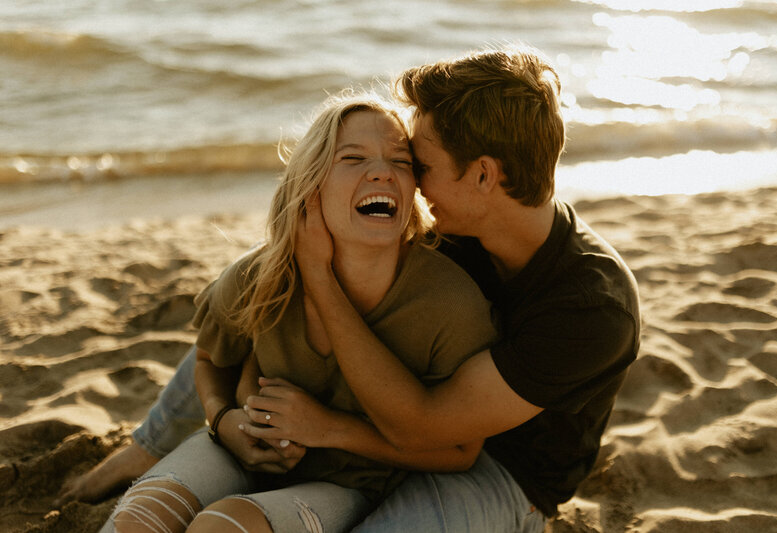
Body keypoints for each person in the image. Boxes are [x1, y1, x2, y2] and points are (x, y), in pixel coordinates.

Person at [67, 43, 639, 532]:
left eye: (418, 162)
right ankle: (146, 446)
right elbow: (245, 319)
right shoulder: (460, 230)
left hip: (504, 469)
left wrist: (320, 282)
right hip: (403, 419)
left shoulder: (591, 308)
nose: (407, 181)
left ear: (483, 175)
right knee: (260, 291)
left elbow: (423, 425)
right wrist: (223, 413)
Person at [98, 92, 498, 533]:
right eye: (353, 158)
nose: (382, 171)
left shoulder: (449, 302)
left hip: (345, 484)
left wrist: (327, 427)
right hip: (233, 453)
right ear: (312, 185)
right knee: (137, 520)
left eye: (401, 162)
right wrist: (225, 421)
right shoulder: (258, 275)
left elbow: (460, 449)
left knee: (221, 528)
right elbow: (212, 360)